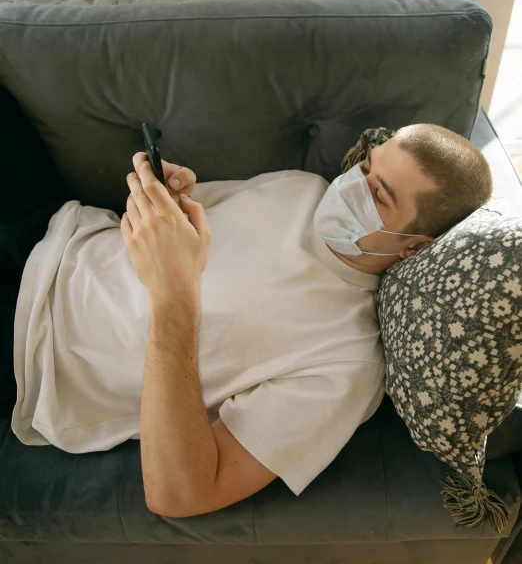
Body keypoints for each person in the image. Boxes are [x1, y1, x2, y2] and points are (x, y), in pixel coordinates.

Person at [0, 83, 493, 518]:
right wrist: (164, 199)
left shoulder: (347, 364)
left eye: (378, 196)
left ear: (414, 247)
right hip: (57, 232)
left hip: (29, 343)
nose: (349, 189)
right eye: (364, 167)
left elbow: (182, 494)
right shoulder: (302, 188)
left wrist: (173, 293)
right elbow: (177, 227)